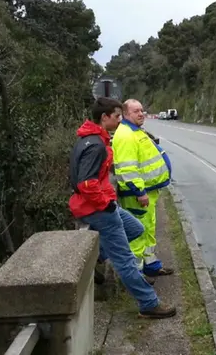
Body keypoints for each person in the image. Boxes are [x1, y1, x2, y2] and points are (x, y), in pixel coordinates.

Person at [69, 97, 176, 318]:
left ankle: (96, 256)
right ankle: (148, 303)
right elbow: (85, 184)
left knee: (136, 229)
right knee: (125, 260)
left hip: (103, 206)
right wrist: (106, 204)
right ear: (104, 117)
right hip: (99, 210)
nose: (120, 121)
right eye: (117, 117)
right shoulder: (95, 146)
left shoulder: (93, 139)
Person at [112, 99, 174, 277]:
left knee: (148, 229)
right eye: (135, 111)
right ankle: (137, 275)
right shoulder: (125, 135)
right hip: (137, 195)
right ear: (125, 114)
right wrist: (139, 192)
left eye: (142, 110)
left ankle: (151, 265)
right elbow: (127, 169)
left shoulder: (135, 130)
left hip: (148, 191)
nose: (141, 114)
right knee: (138, 234)